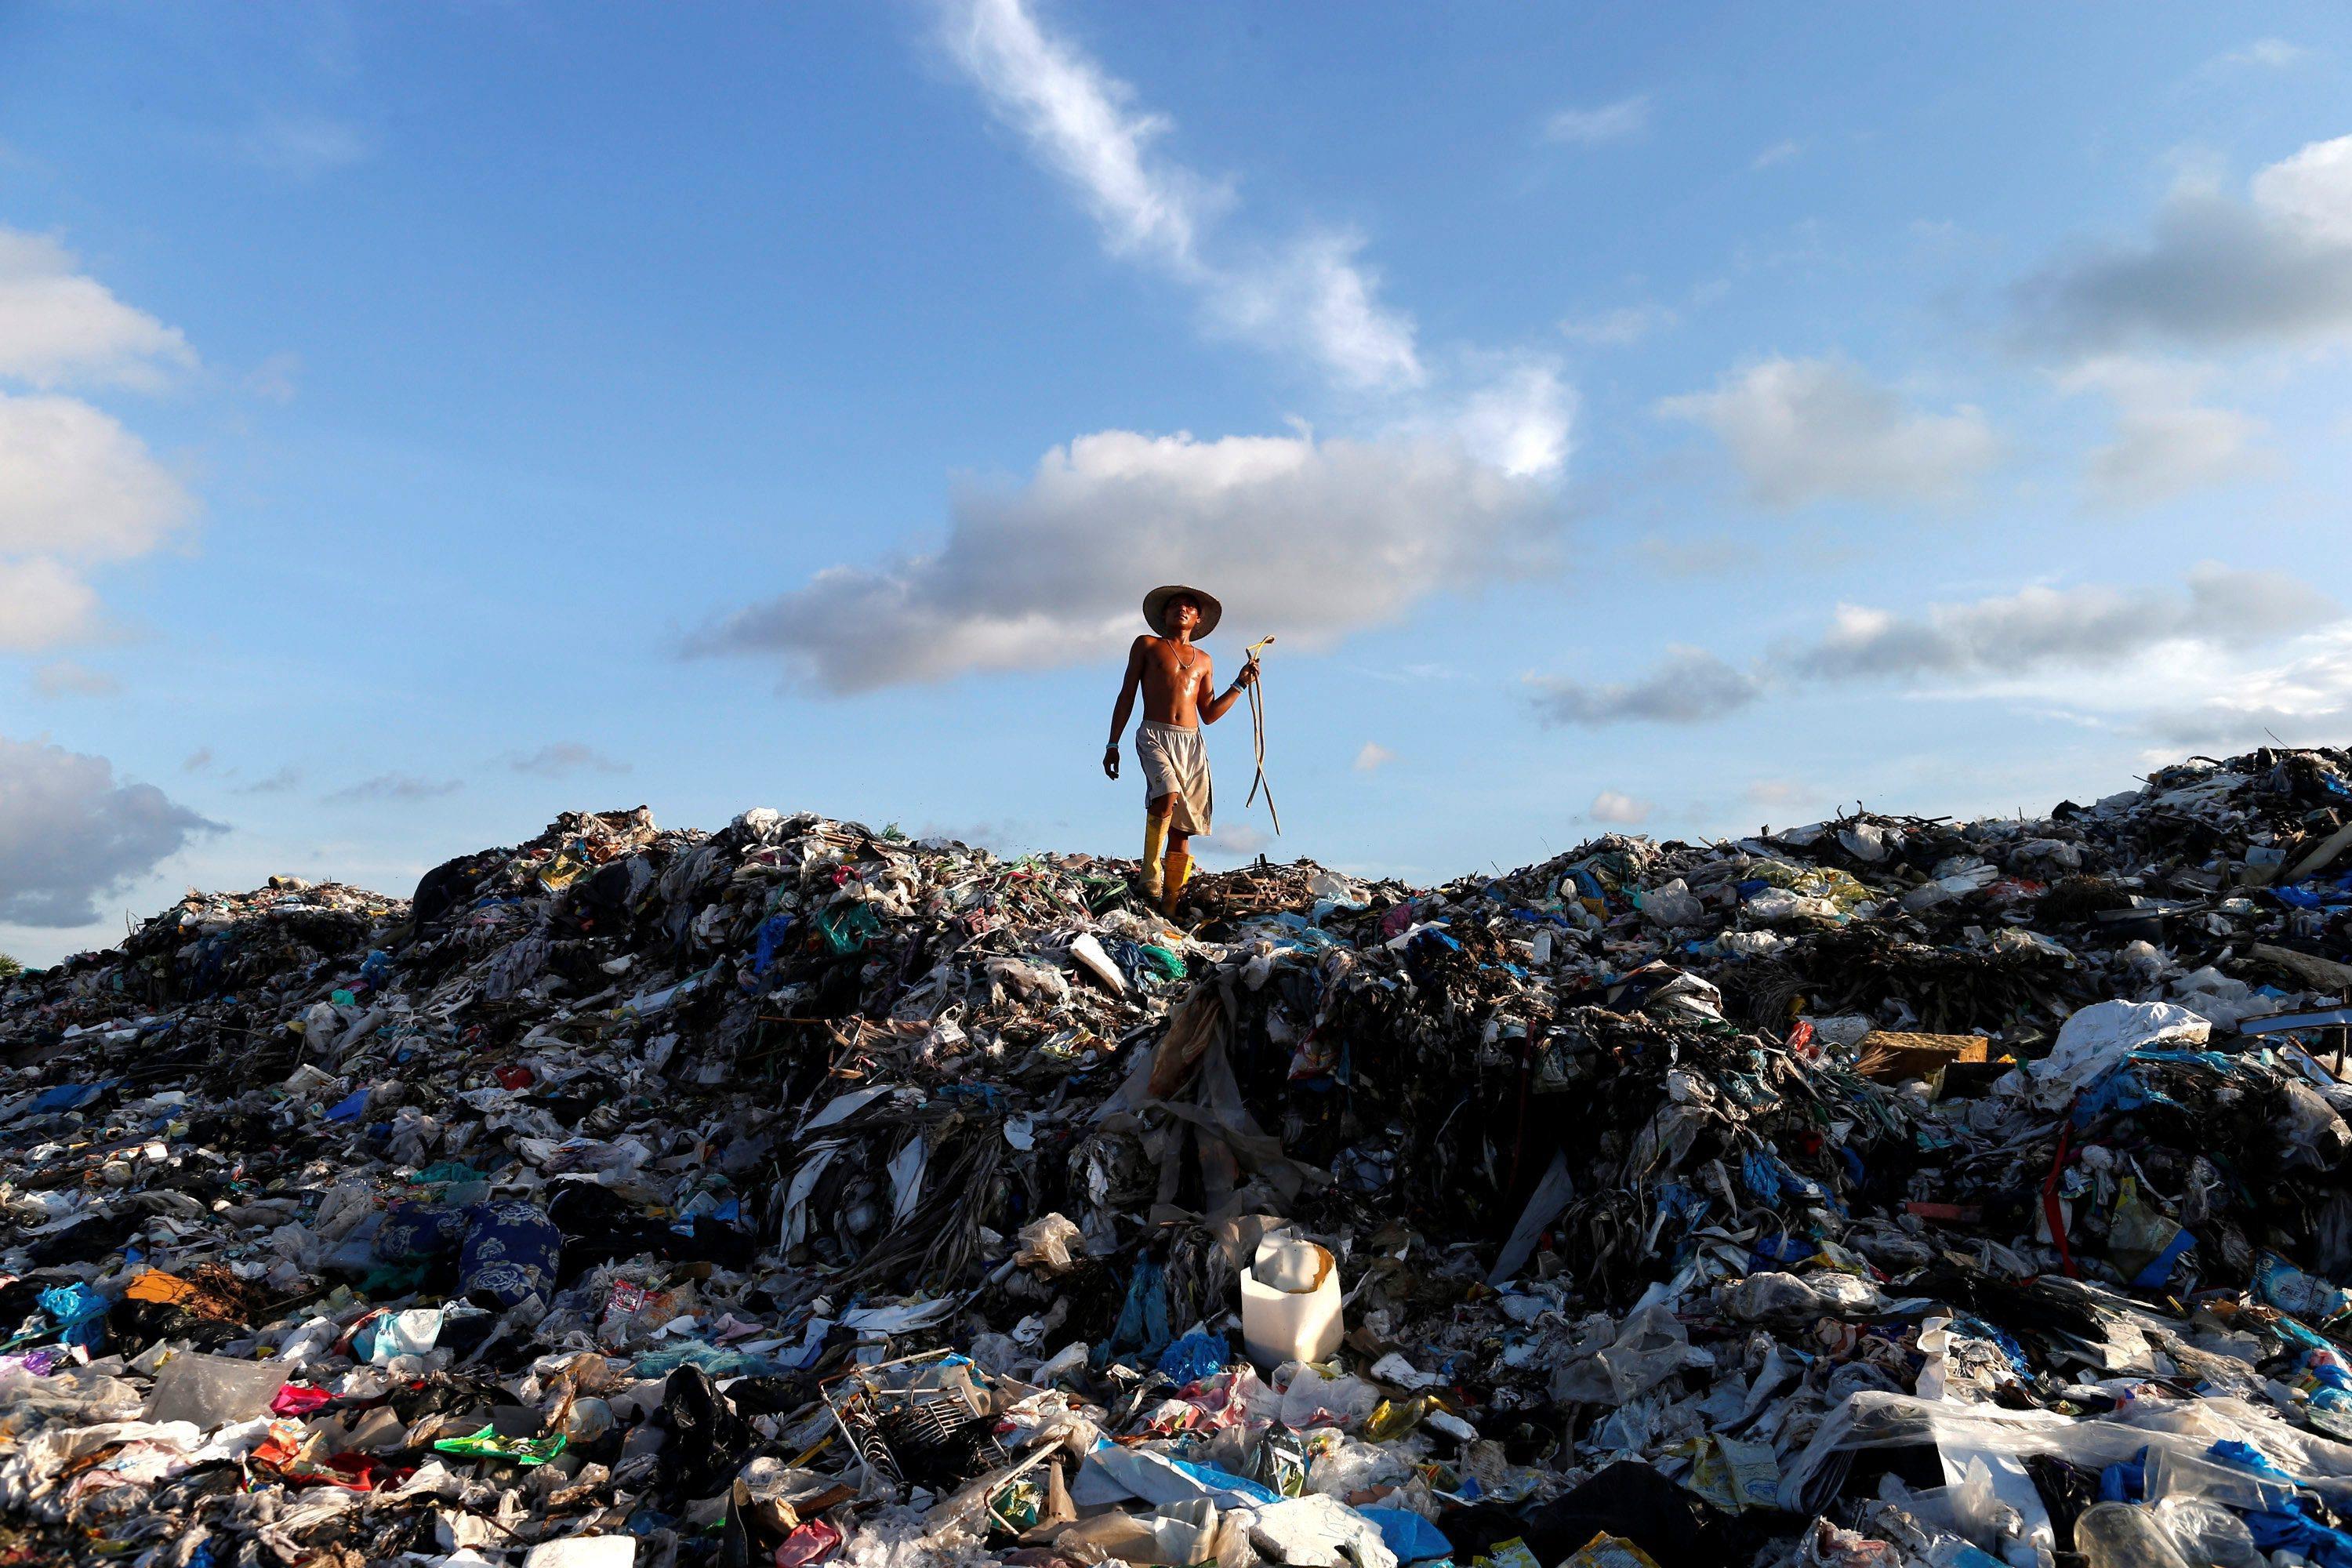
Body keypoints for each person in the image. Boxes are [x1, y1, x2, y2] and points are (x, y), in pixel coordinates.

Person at [1103, 585, 1257, 913]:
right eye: (1174, 605)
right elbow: (1127, 694)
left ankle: (1169, 906)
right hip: (1154, 734)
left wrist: (1241, 683)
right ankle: (1150, 877)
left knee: (1183, 827)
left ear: (1198, 618)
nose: (1181, 609)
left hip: (1191, 740)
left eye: (1189, 606)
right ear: (1164, 615)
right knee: (1167, 794)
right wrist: (1113, 742)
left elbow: (1210, 712)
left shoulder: (1204, 660)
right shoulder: (1147, 645)